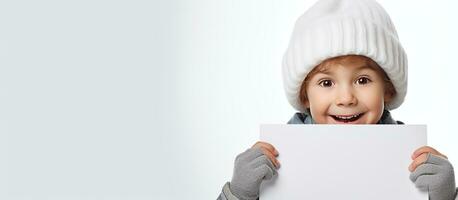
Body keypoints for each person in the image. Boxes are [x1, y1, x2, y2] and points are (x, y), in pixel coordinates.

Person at [217, 0, 457, 199]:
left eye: (362, 80)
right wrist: (239, 193)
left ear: (388, 89)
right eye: (326, 83)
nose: (346, 98)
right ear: (304, 95)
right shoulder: (274, 157)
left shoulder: (412, 158)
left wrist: (445, 196)